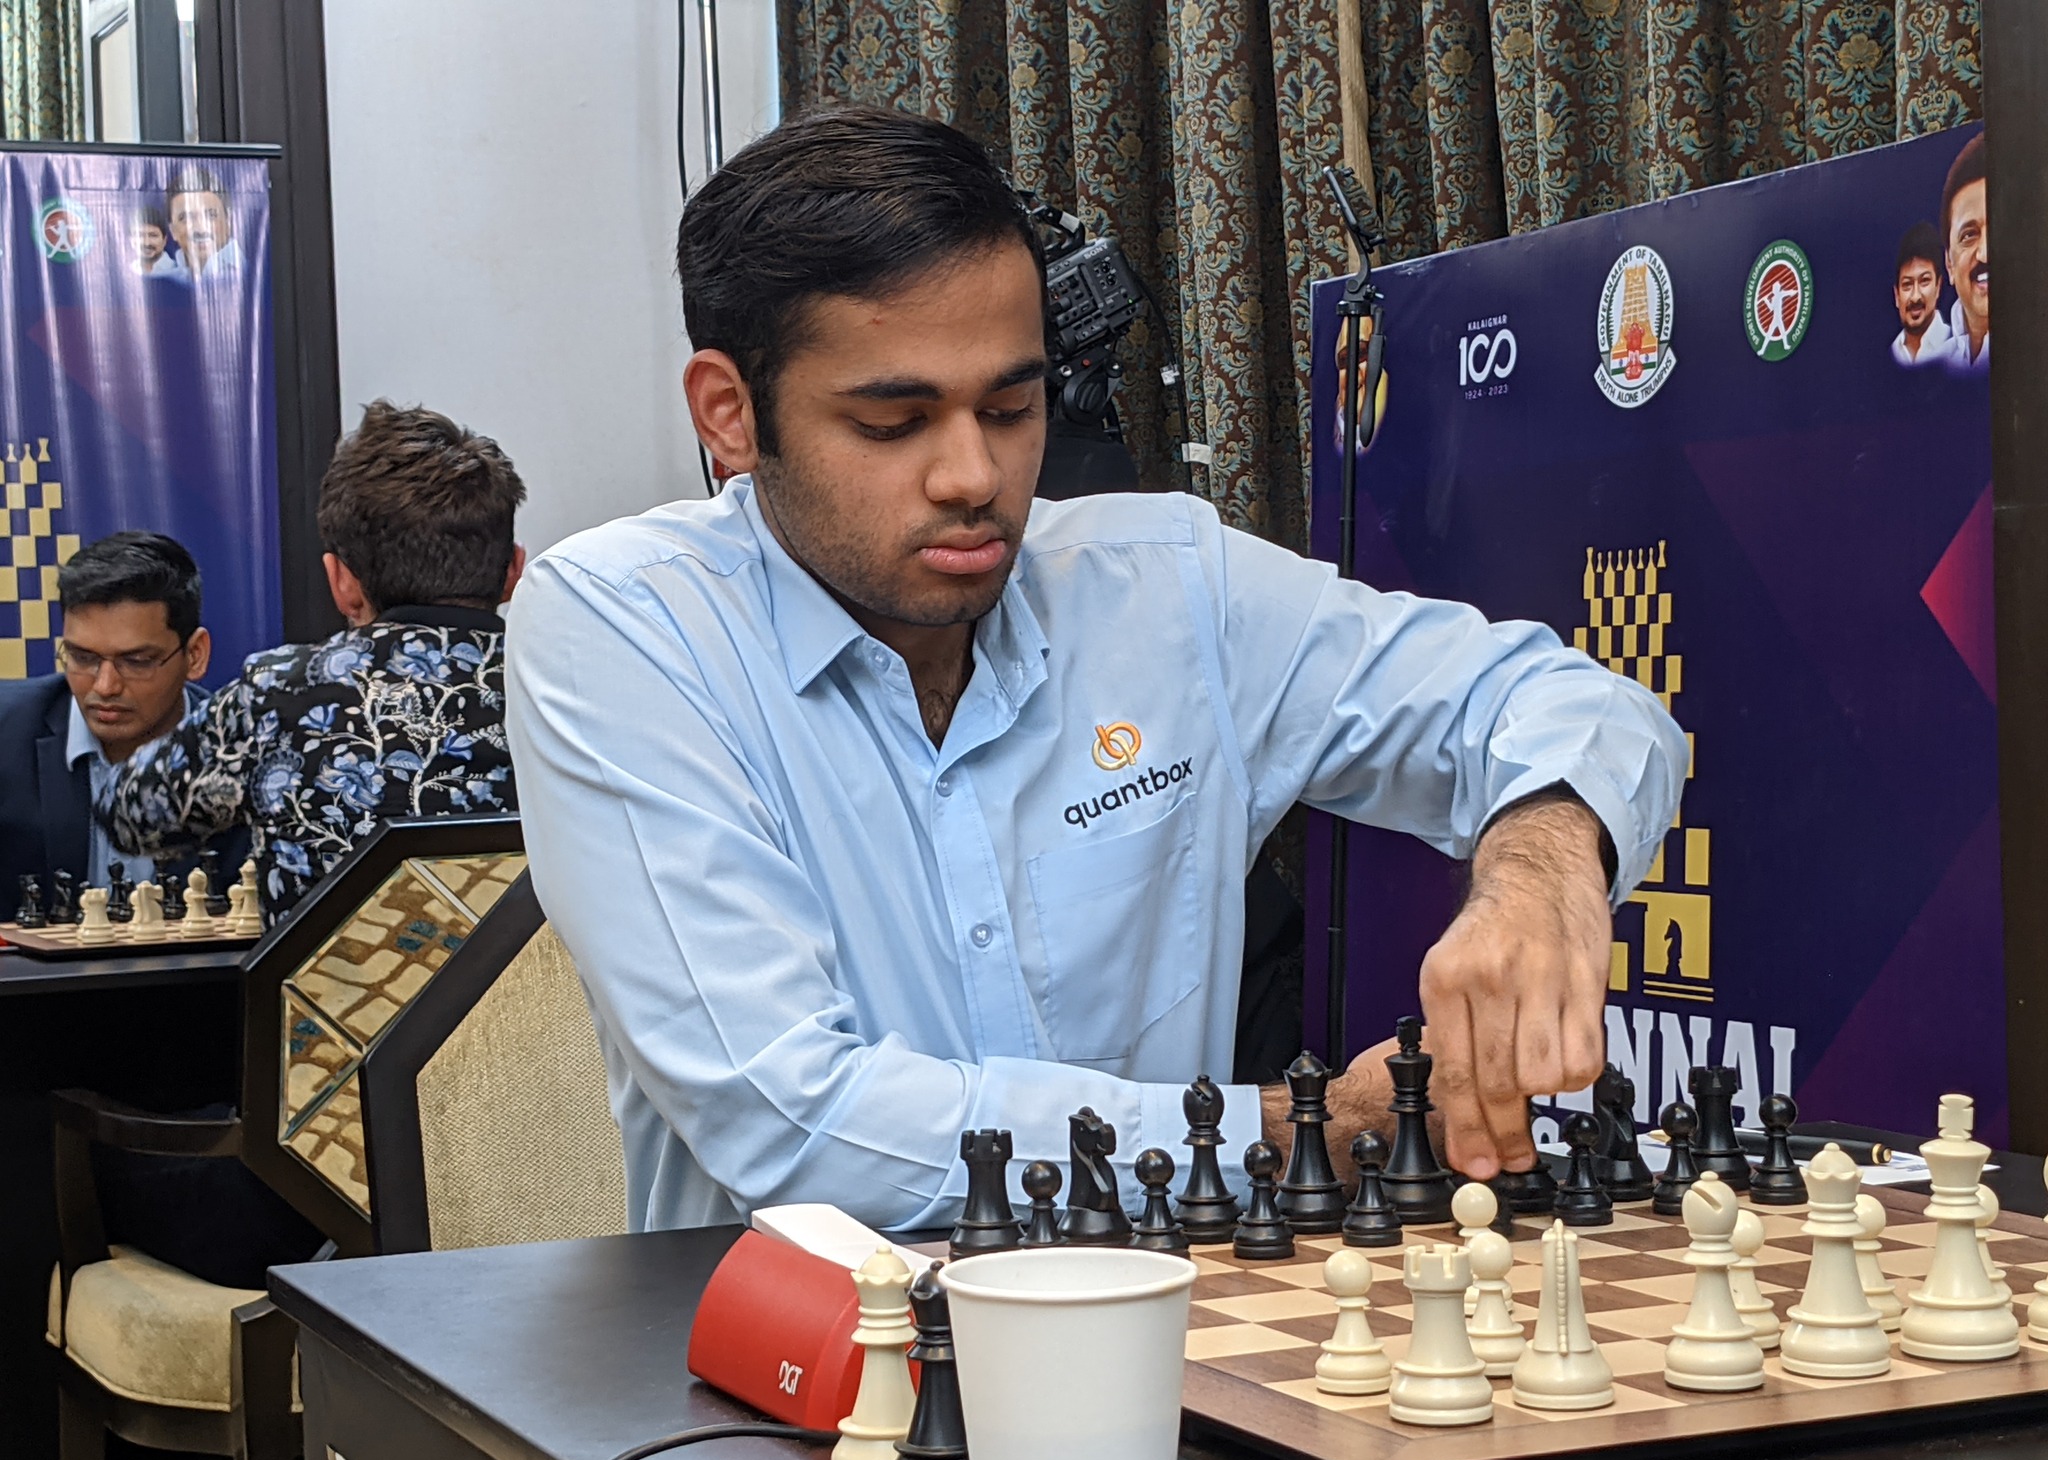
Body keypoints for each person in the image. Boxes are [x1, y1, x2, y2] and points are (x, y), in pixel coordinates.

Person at [506, 105, 1689, 1235]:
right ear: (728, 413)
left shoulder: (1165, 587)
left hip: (1186, 1339)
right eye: (892, 423)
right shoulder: (625, 627)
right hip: (810, 1360)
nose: (972, 476)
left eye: (1009, 406)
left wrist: (1538, 867)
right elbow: (793, 1121)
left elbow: (1569, 705)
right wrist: (1297, 1133)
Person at [102, 401, 526, 918]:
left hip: (336, 976)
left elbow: (128, 813)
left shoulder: (280, 692)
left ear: (341, 581)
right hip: (545, 975)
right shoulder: (577, 688)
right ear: (514, 571)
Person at [0, 532, 245, 903]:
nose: (105, 685)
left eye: (137, 661)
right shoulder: (7, 732)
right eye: (82, 657)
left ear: (194, 655)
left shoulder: (239, 751)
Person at [1938, 132, 1987, 373]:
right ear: (1949, 264)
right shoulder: (1934, 365)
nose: (1985, 254)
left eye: (2001, 230)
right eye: (1969, 235)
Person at [165, 166, 242, 284]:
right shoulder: (166, 278)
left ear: (228, 221)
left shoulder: (251, 275)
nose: (200, 229)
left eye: (211, 215)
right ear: (172, 230)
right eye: (186, 218)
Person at [1889, 221, 1949, 367]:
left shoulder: (1960, 350)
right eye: (1907, 284)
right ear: (1896, 295)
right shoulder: (1888, 356)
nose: (1915, 296)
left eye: (1924, 281)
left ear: (1938, 286)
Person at [128, 203, 178, 277]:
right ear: (131, 240)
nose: (147, 243)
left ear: (164, 240)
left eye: (153, 235)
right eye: (140, 235)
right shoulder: (126, 272)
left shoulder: (178, 273)